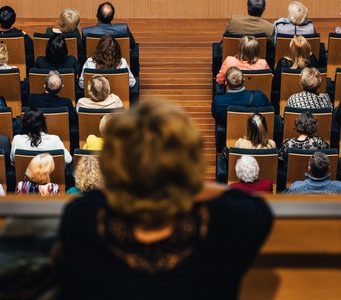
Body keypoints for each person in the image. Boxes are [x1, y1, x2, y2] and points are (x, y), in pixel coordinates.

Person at [58, 100, 273, 299]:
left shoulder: (82, 219)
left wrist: (129, 183)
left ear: (117, 164)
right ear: (189, 163)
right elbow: (253, 206)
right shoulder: (231, 221)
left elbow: (97, 194)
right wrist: (185, 182)